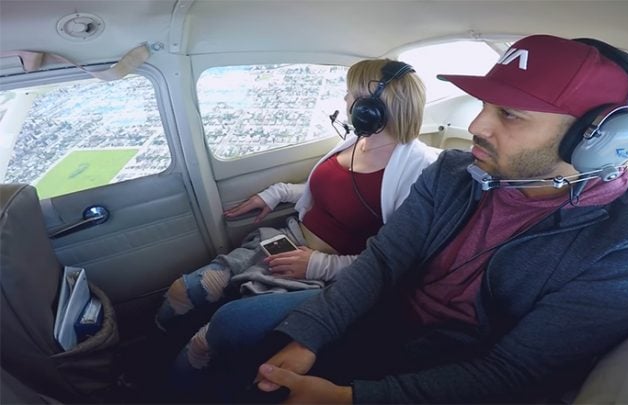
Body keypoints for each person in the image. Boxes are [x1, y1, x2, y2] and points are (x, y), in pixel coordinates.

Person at [238, 34, 628, 403]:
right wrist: (309, 338)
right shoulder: (455, 172)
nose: (477, 125)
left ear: (598, 140)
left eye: (509, 114)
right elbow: (383, 262)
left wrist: (350, 398)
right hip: (384, 318)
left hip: (461, 369)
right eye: (484, 104)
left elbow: (513, 371)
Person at [159, 59, 440, 397]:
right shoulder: (357, 141)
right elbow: (327, 188)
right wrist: (275, 193)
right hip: (286, 240)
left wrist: (318, 264)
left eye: (352, 95)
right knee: (182, 290)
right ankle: (153, 345)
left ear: (374, 108)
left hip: (329, 274)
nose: (346, 101)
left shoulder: (418, 171)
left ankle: (166, 393)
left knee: (206, 340)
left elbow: (398, 259)